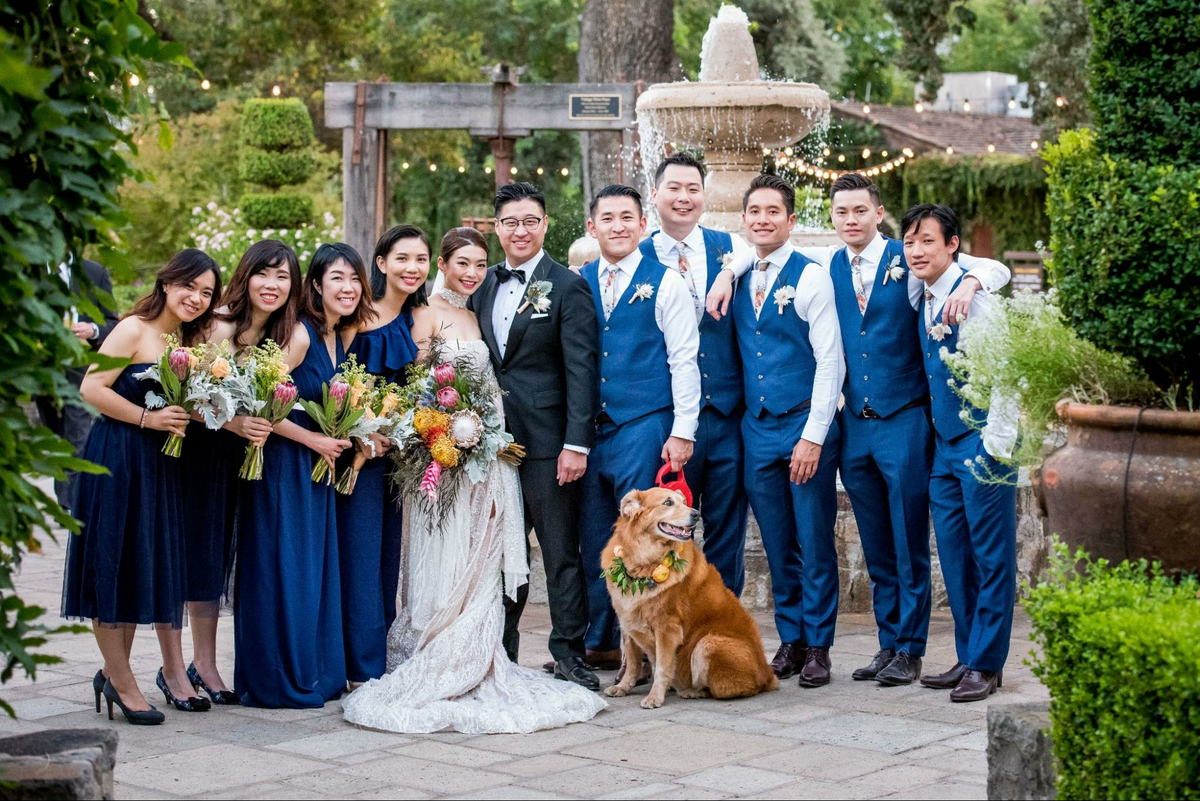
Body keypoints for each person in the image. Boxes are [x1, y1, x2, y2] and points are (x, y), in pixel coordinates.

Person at [705, 172, 1013, 686]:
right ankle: (888, 642)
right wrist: (727, 271)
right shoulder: (826, 264)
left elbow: (983, 265)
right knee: (876, 545)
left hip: (907, 421)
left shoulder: (908, 260)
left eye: (859, 211)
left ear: (878, 212)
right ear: (831, 217)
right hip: (857, 428)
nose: (850, 220)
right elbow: (760, 250)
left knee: (909, 539)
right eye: (841, 212)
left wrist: (973, 280)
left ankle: (912, 649)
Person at [342, 227, 606, 734]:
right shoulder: (421, 316)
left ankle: (485, 657)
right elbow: (413, 390)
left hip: (491, 459)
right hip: (443, 461)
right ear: (442, 264)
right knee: (446, 556)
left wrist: (484, 438)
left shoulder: (475, 311)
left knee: (487, 559)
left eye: (478, 264)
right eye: (460, 262)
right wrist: (445, 438)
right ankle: (436, 648)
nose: (470, 272)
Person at [62, 249, 221, 724]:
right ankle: (122, 681)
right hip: (118, 456)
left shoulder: (185, 341)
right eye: (189, 286)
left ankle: (115, 674)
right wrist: (148, 419)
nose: (196, 297)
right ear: (167, 282)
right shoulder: (132, 328)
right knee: (113, 562)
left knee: (136, 565)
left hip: (158, 466)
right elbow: (91, 388)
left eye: (206, 292)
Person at [467, 183, 601, 689]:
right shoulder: (480, 286)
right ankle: (500, 649)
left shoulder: (567, 286)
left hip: (549, 446)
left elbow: (582, 371)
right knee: (501, 553)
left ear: (544, 225)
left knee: (560, 551)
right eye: (509, 222)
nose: (519, 230)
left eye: (529, 221)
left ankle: (569, 653)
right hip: (491, 446)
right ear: (496, 227)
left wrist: (576, 444)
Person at [234, 243, 369, 708]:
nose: (348, 287)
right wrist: (312, 440)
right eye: (337, 278)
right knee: (284, 569)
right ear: (314, 285)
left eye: (354, 278)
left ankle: (315, 671)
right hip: (284, 465)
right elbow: (257, 399)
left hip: (315, 470)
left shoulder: (338, 336)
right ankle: (277, 678)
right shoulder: (302, 334)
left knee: (311, 572)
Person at [578, 184, 701, 669]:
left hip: (644, 423)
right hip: (589, 432)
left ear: (642, 225)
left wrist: (682, 430)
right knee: (596, 536)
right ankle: (603, 641)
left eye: (627, 217)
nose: (618, 226)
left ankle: (651, 644)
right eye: (607, 218)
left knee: (646, 538)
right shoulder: (578, 280)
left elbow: (684, 358)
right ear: (593, 227)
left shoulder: (665, 281)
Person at [902, 204, 1017, 703]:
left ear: (953, 245)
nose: (917, 250)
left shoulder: (979, 301)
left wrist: (996, 446)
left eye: (928, 240)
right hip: (943, 449)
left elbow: (1010, 375)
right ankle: (969, 654)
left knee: (991, 558)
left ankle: (988, 664)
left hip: (981, 441)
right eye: (909, 241)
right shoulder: (920, 294)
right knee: (954, 556)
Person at [732, 175, 844, 688]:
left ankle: (819, 645)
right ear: (743, 220)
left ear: (791, 219)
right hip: (756, 429)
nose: (762, 219)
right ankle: (791, 638)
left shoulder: (811, 276)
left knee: (814, 539)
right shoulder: (736, 275)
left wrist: (813, 436)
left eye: (773, 211)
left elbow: (830, 361)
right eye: (754, 211)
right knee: (777, 543)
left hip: (803, 423)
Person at [179, 240, 300, 705]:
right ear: (246, 275)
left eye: (283, 276)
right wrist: (232, 422)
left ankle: (209, 662)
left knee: (233, 557)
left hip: (252, 460)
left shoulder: (283, 338)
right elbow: (186, 395)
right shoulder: (217, 325)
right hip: (206, 453)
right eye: (263, 274)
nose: (272, 285)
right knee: (205, 556)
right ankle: (201, 664)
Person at [638, 153, 752, 595]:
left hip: (727, 415)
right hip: (666, 420)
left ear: (704, 195)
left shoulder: (730, 249)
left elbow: (769, 248)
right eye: (674, 188)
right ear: (655, 194)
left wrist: (727, 272)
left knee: (727, 531)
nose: (684, 198)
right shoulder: (638, 253)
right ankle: (664, 632)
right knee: (664, 531)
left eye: (693, 189)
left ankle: (720, 626)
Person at [338, 225, 425, 688]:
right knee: (359, 554)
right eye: (403, 258)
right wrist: (357, 431)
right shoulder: (357, 317)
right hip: (355, 456)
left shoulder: (416, 319)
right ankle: (357, 664)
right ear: (382, 262)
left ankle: (376, 657)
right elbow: (334, 378)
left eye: (421, 259)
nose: (412, 268)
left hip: (394, 457)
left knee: (385, 558)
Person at [37, 255, 120, 514]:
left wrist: (93, 330)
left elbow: (112, 323)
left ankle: (71, 506)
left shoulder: (94, 272)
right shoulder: (31, 270)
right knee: (55, 435)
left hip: (80, 370)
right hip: (42, 370)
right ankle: (66, 498)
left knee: (78, 434)